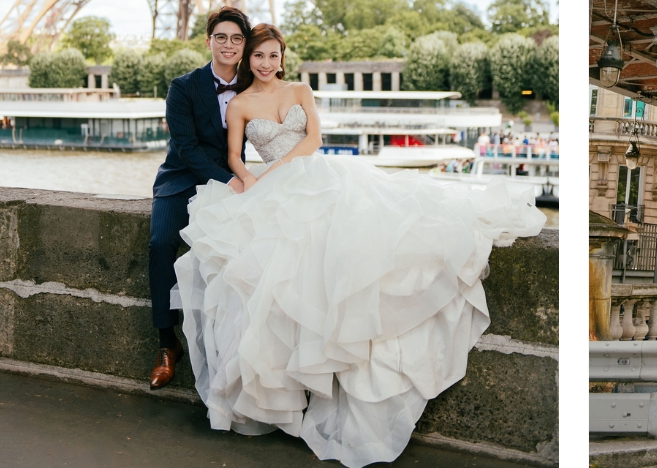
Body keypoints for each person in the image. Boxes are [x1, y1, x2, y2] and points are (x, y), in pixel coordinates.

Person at [170, 24, 544, 467]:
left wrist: (276, 174)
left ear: (282, 58)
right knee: (287, 272)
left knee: (350, 249)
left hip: (314, 177)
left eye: (272, 55)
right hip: (271, 187)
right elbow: (234, 157)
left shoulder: (301, 89)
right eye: (258, 56)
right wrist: (252, 180)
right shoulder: (241, 104)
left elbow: (312, 140)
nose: (265, 63)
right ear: (248, 59)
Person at [148, 6, 251, 390]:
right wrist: (231, 180)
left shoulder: (251, 87)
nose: (228, 44)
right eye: (221, 37)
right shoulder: (183, 86)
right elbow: (187, 149)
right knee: (161, 244)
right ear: (209, 41)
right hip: (182, 179)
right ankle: (165, 343)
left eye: (236, 38)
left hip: (229, 181)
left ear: (245, 45)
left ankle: (231, 347)